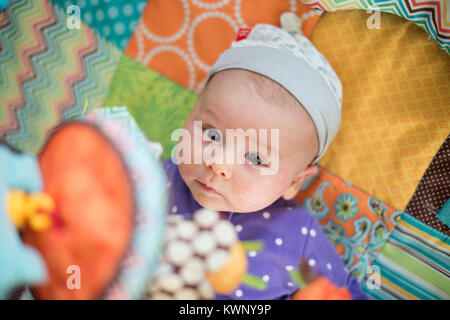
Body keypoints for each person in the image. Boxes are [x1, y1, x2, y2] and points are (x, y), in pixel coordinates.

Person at [163, 12, 368, 300]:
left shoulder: (298, 238)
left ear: (294, 182)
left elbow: (342, 293)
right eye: (211, 134)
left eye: (256, 158)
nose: (217, 162)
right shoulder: (153, 180)